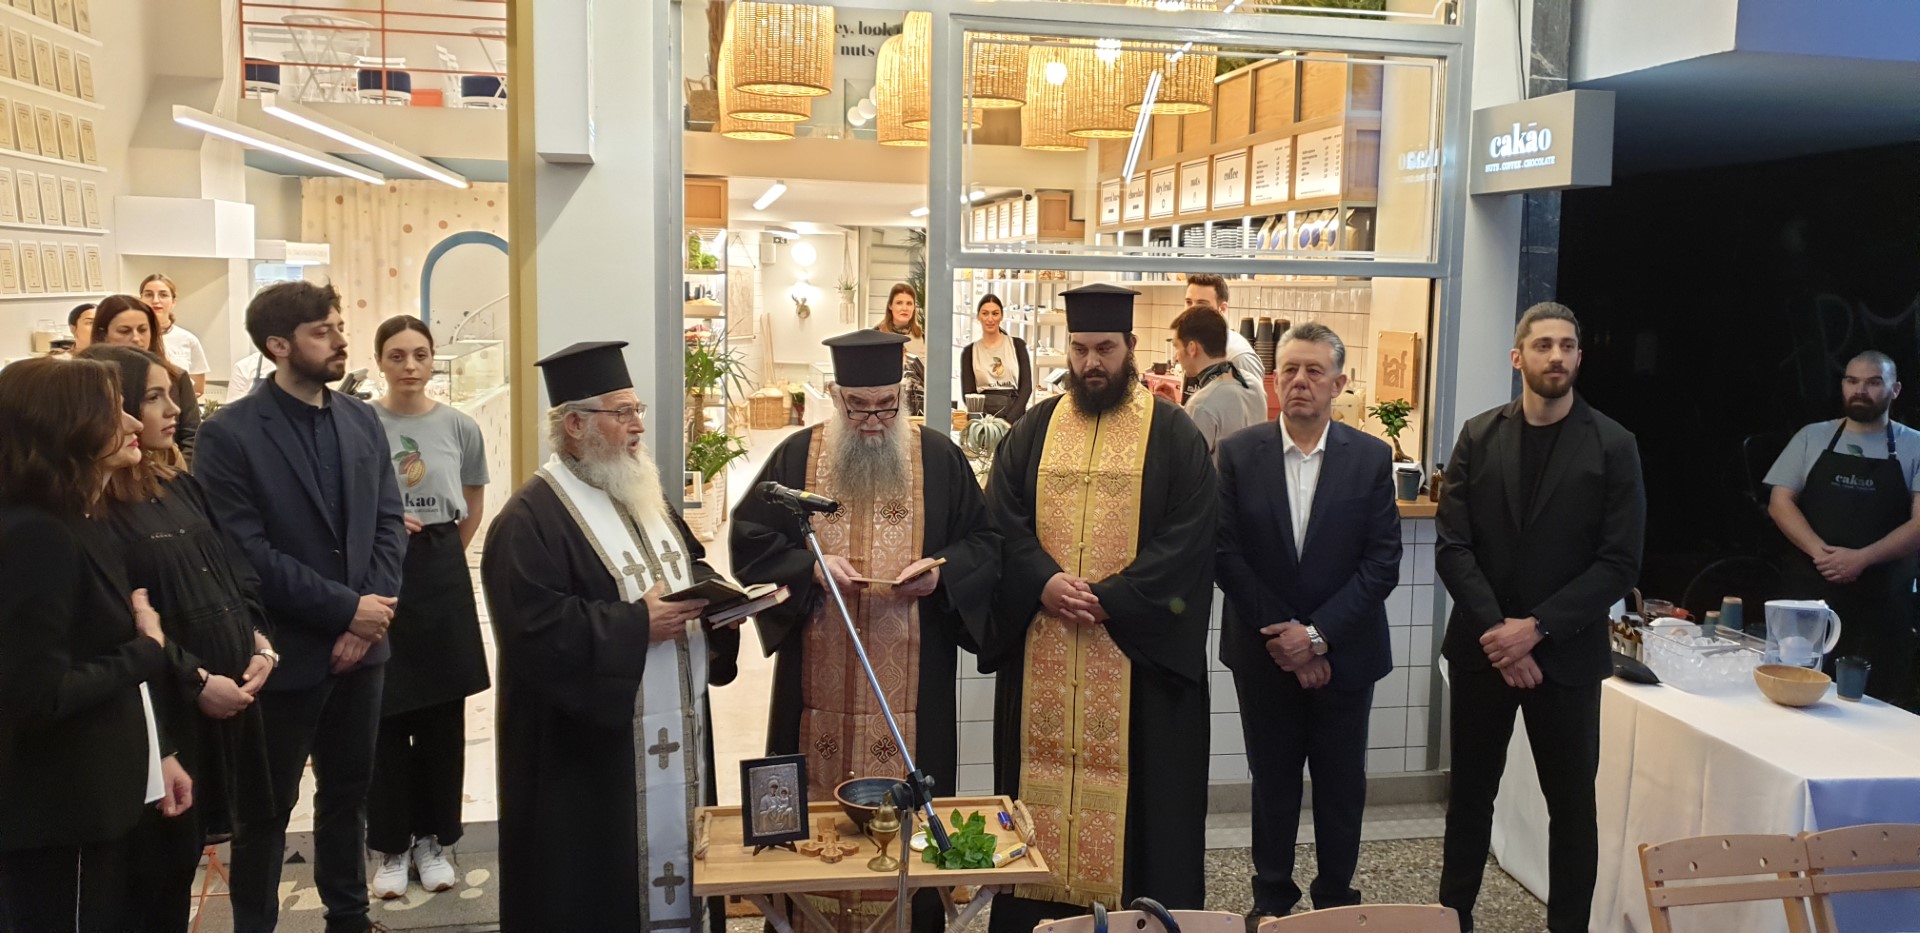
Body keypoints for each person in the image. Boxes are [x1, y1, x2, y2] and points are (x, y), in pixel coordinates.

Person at [729, 329, 1002, 933]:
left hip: (914, 682)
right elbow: (749, 540)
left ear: (902, 395)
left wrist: (941, 574)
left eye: (885, 406)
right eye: (858, 407)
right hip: (815, 682)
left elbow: (985, 543)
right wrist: (812, 569)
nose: (874, 421)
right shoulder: (798, 458)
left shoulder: (939, 459)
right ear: (836, 395)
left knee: (912, 821)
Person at [480, 341, 741, 932]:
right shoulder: (527, 520)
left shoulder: (641, 493)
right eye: (622, 413)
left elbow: (688, 564)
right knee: (594, 889)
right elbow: (534, 634)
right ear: (575, 425)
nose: (638, 426)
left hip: (674, 726)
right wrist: (637, 626)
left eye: (636, 410)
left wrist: (721, 604)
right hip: (587, 765)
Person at [981, 283, 1217, 931]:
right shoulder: (1034, 429)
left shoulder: (1173, 433)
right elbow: (1000, 518)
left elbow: (1192, 535)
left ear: (1131, 347)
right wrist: (1043, 582)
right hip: (1044, 645)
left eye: (1105, 349)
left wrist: (1111, 598)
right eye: (1081, 348)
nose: (1092, 363)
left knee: (1148, 812)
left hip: (1140, 662)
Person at [195, 281, 407, 933]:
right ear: (278, 345)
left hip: (363, 648)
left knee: (349, 793)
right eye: (323, 330)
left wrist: (368, 617)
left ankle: (349, 917)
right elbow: (245, 551)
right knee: (267, 809)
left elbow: (389, 522)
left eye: (339, 325)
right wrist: (347, 611)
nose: (341, 340)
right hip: (281, 651)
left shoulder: (361, 419)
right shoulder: (229, 433)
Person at [1434, 302, 1645, 933]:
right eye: (1543, 345)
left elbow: (1619, 563)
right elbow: (1453, 546)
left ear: (1579, 357)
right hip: (1482, 652)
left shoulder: (1613, 444)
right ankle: (1452, 920)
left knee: (1573, 810)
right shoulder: (1478, 435)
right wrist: (1500, 634)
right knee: (1469, 799)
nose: (1557, 356)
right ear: (1517, 357)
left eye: (1568, 346)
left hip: (1567, 654)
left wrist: (1535, 629)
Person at [84, 344, 277, 933]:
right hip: (169, 713)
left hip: (232, 698)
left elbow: (234, 569)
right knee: (157, 878)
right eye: (152, 398)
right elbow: (125, 620)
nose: (173, 410)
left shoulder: (177, 483)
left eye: (171, 395)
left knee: (218, 845)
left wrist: (260, 640)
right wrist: (196, 681)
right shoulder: (96, 509)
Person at [0, 357, 193, 931]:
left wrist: (158, 757)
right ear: (67, 426)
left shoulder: (81, 519)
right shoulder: (35, 534)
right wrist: (148, 649)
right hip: (60, 812)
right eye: (113, 412)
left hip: (106, 793)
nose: (133, 423)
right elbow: (36, 695)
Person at [1215, 323, 1400, 919]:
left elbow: (1382, 563)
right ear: (1274, 380)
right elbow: (1225, 554)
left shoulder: (1370, 458)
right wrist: (1287, 640)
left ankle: (1336, 906)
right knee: (1272, 785)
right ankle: (1271, 903)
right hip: (1263, 655)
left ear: (1338, 384)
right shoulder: (1239, 454)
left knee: (1342, 787)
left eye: (1314, 371)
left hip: (1346, 655)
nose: (1300, 381)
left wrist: (1317, 638)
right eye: (1290, 369)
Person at [367, 315, 491, 899]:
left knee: (443, 715)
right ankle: (391, 845)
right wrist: (386, 532)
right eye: (397, 356)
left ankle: (433, 841)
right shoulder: (362, 422)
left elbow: (473, 499)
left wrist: (441, 553)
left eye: (419, 354)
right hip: (378, 570)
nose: (409, 366)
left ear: (433, 358)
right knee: (384, 712)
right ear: (380, 362)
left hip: (439, 568)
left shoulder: (459, 426)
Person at [1764, 351, 1920, 702]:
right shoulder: (1811, 436)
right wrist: (1821, 553)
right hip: (1809, 594)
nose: (1860, 390)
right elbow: (1780, 503)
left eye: (1873, 382)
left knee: (1875, 704)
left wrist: (1861, 559)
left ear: (1895, 390)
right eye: (1852, 381)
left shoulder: (1915, 445)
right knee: (1794, 693)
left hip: (1882, 601)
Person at [92, 295, 200, 464]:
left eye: (143, 330)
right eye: (125, 331)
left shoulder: (175, 376)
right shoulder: (91, 381)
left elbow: (192, 434)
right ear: (103, 334)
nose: (136, 338)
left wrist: (178, 472)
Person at [1171, 305, 1267, 456]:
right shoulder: (1253, 384)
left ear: (1192, 348)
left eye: (1177, 347)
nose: (1176, 357)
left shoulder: (1201, 404)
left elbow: (1189, 465)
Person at [960, 293, 1033, 422]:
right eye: (985, 313)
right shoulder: (969, 352)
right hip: (982, 420)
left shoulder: (1017, 346)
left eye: (995, 313)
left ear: (1001, 316)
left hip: (1014, 417)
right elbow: (968, 394)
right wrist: (987, 423)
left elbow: (1026, 387)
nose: (990, 319)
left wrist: (1008, 421)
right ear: (978, 317)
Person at [1183, 273, 1264, 387]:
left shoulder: (1238, 357)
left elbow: (1252, 398)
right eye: (1189, 302)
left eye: (1202, 303)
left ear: (1222, 308)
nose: (1192, 310)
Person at [141, 274, 209, 398]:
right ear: (141, 300)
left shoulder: (188, 340)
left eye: (163, 295)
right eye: (149, 294)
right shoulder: (133, 338)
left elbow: (198, 389)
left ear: (173, 302)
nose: (155, 300)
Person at [878, 283, 927, 416]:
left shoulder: (924, 336)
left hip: (918, 406)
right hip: (884, 405)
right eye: (899, 303)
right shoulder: (877, 334)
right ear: (890, 306)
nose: (905, 308)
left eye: (909, 303)